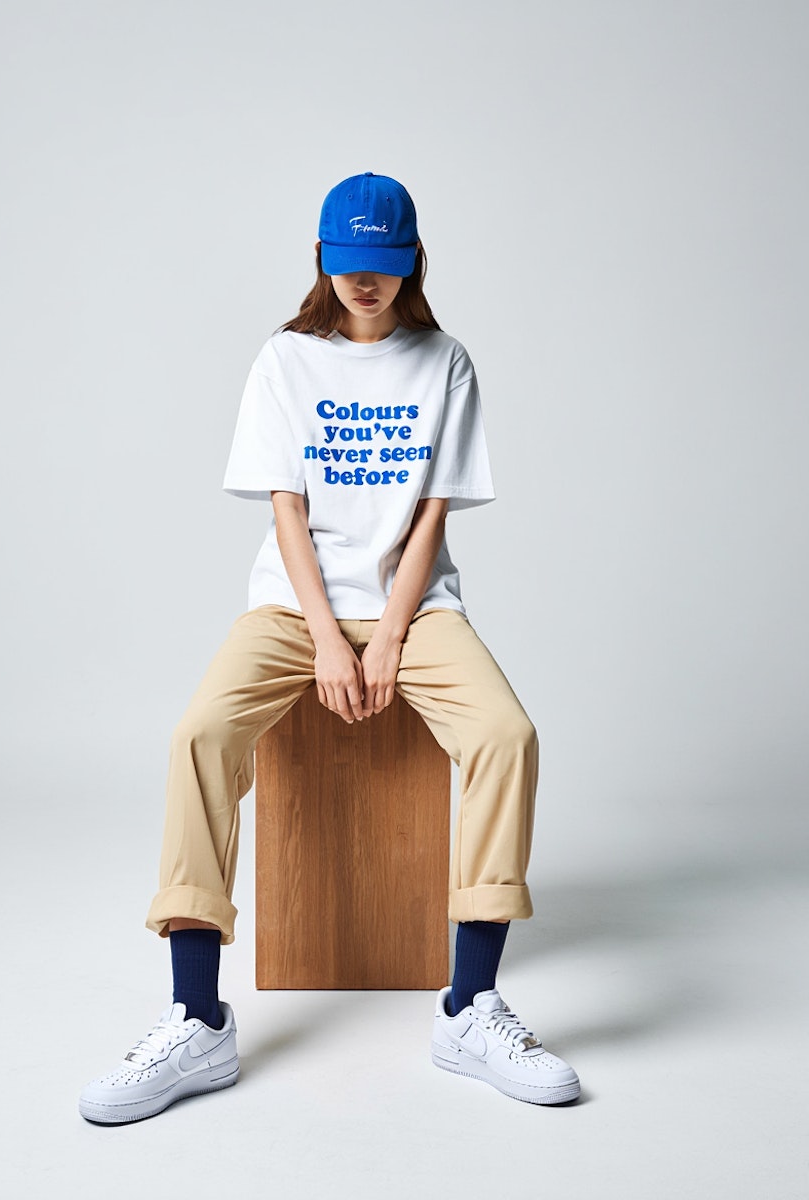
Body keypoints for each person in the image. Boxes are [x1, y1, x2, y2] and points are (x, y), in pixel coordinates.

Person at [78, 171, 580, 1123]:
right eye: (349, 265)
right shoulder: (283, 362)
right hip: (291, 606)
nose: (367, 284)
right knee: (200, 735)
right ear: (321, 260)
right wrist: (325, 636)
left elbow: (432, 511)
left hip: (417, 610)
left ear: (411, 264)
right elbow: (287, 512)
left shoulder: (446, 363)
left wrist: (389, 630)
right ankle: (196, 1017)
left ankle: (471, 1008)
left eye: (384, 266)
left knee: (507, 736)